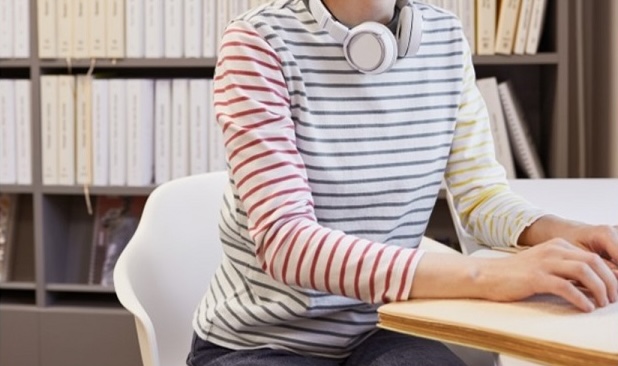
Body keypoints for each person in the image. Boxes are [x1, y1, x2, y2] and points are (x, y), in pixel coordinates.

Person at [187, 0, 618, 365]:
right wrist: (488, 275)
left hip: (382, 325)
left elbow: (482, 198)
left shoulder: (445, 38)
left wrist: (567, 234)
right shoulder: (256, 44)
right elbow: (287, 244)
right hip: (262, 341)